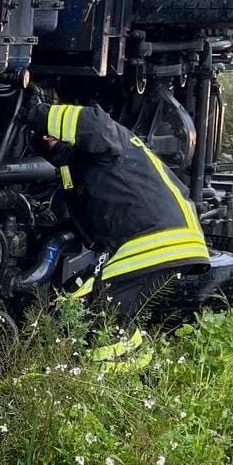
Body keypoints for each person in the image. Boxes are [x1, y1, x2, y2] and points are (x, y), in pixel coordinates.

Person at [29, 99, 212, 324]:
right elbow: (90, 224)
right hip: (167, 242)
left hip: (155, 243)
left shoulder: (109, 140)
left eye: (51, 136)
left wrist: (40, 114)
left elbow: (94, 122)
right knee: (109, 315)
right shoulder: (88, 164)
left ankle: (106, 358)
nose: (48, 140)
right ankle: (130, 358)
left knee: (83, 314)